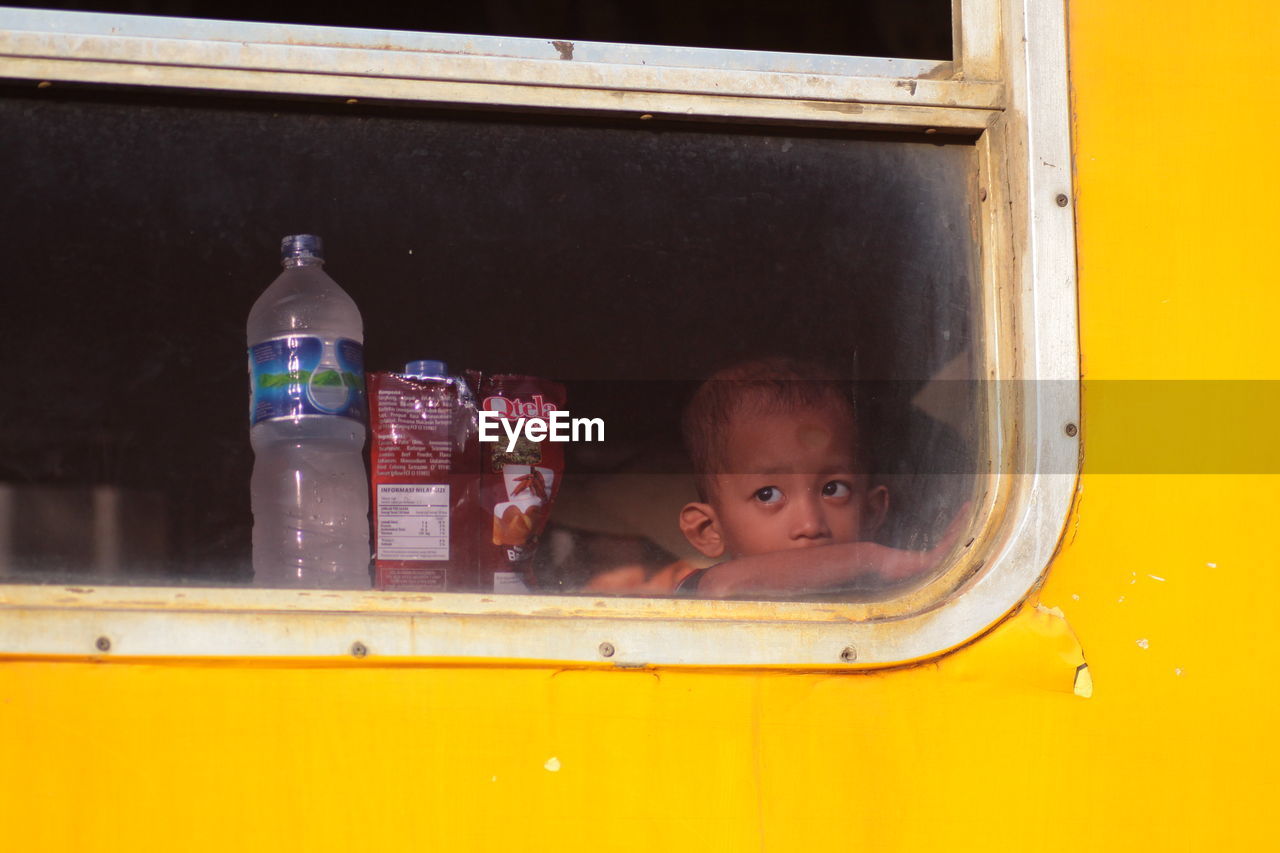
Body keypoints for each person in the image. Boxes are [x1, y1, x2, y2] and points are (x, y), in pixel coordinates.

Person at [670, 357, 960, 598]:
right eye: (768, 495)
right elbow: (727, 586)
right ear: (708, 530)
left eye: (833, 490)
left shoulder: (892, 599)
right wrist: (881, 560)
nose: (810, 525)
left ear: (871, 511)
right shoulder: (702, 593)